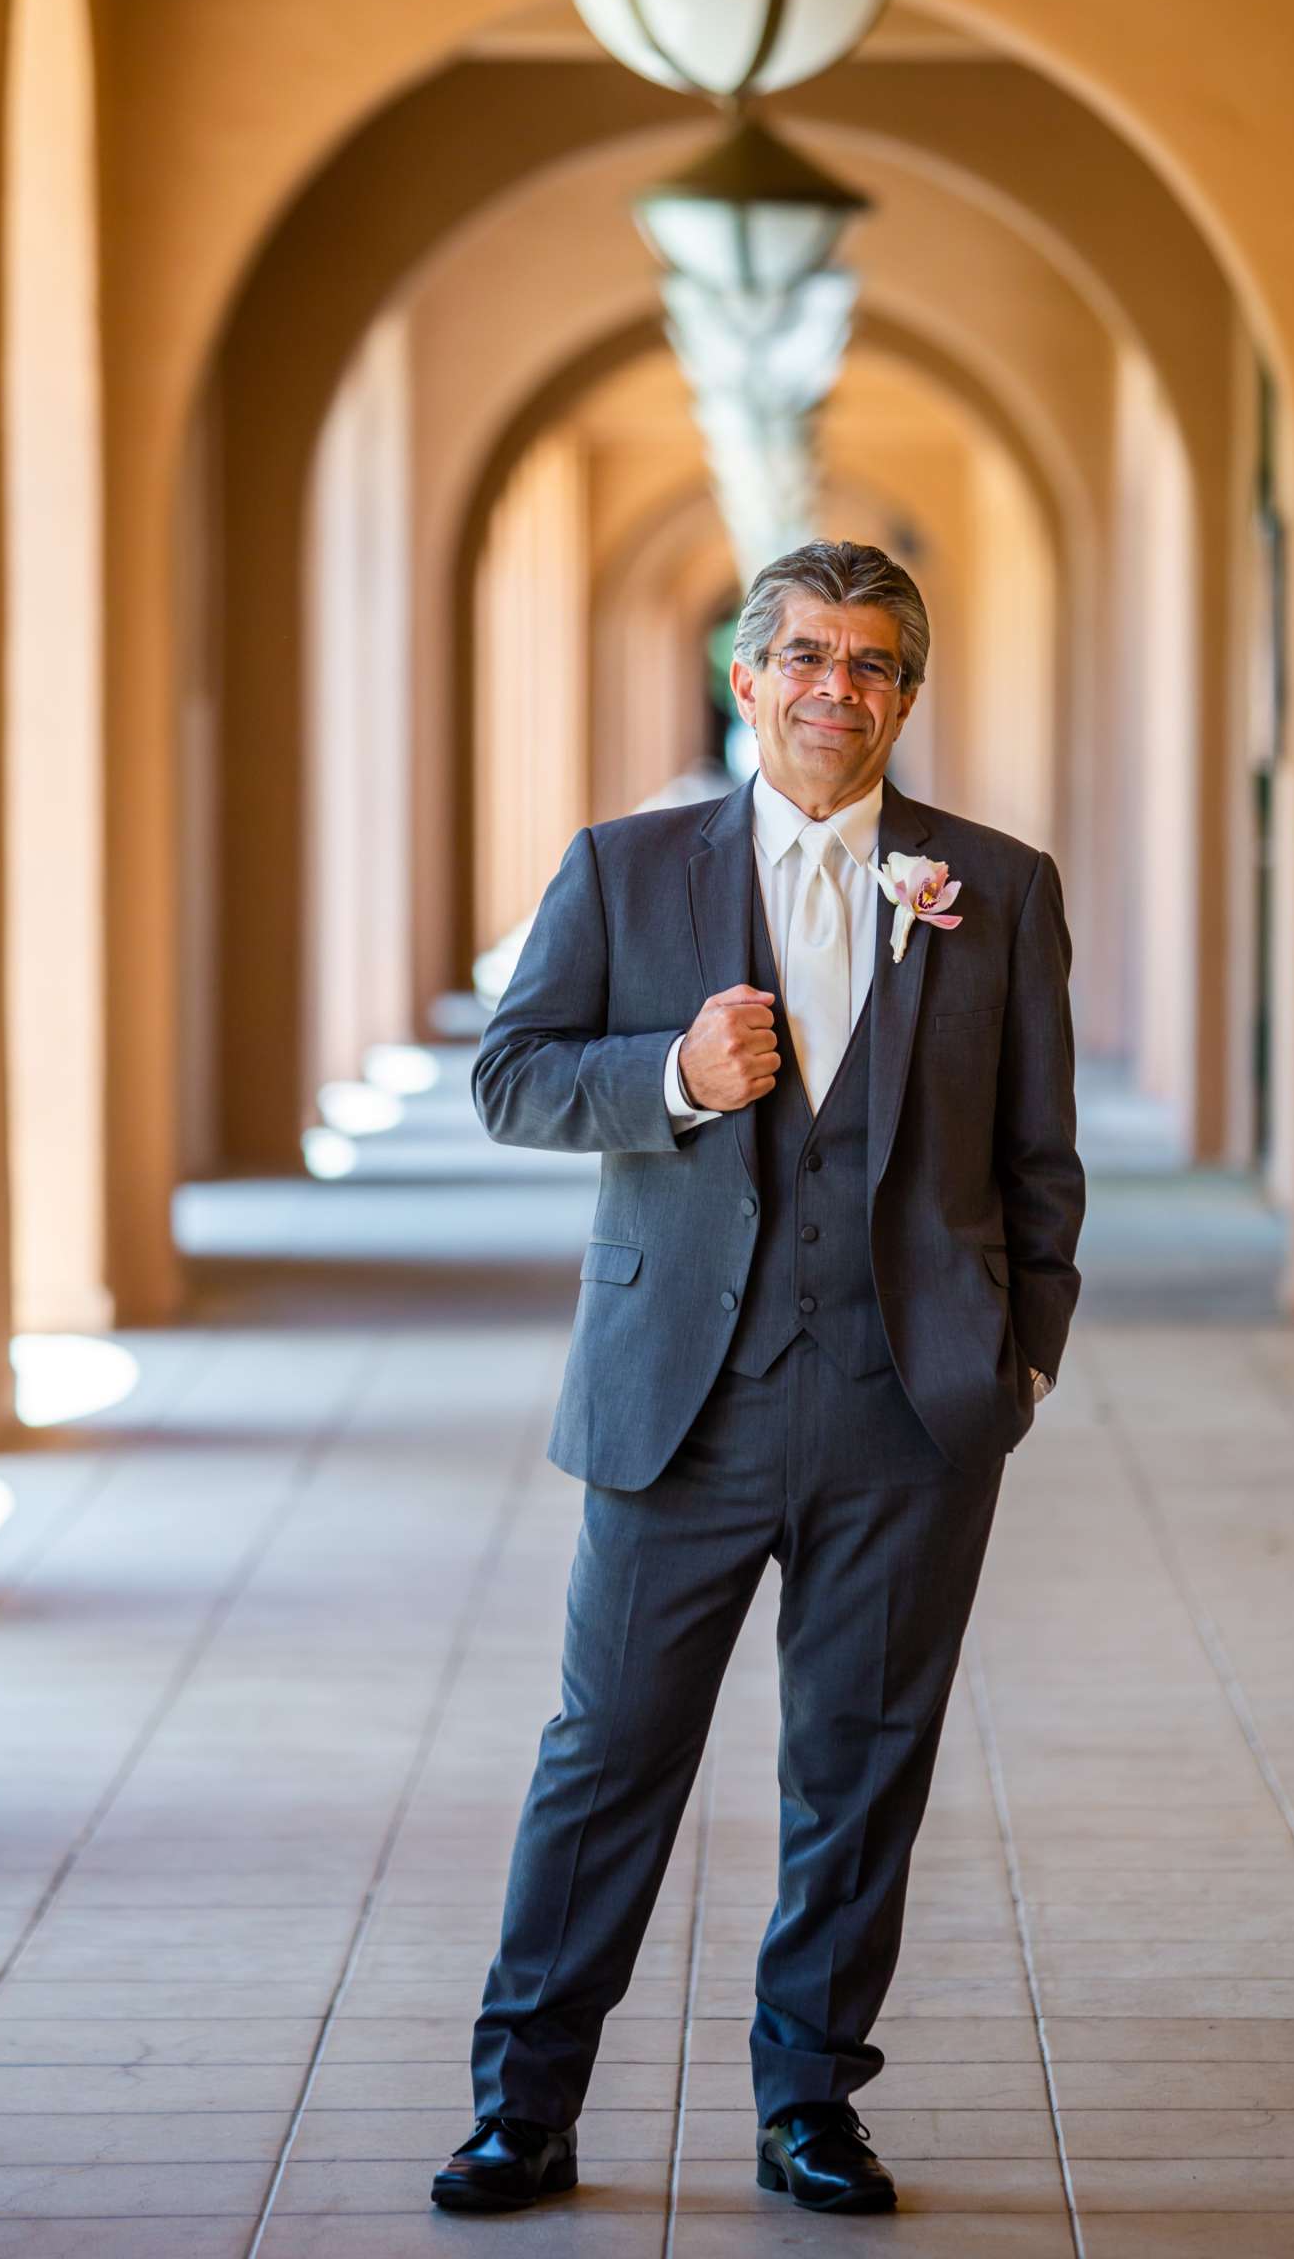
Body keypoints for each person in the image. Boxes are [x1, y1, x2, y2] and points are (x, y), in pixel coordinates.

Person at [431, 538, 1085, 2219]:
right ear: (747, 681)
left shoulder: (994, 887)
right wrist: (670, 1071)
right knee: (609, 1754)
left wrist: (1015, 1362)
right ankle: (525, 2104)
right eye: (804, 656)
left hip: (913, 1413)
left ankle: (812, 2101)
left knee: (861, 1765)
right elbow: (508, 1080)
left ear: (904, 698)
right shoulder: (624, 867)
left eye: (871, 665)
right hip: (679, 1406)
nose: (834, 689)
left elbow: (1038, 1154)